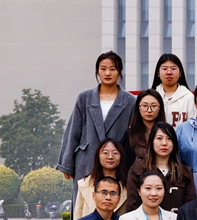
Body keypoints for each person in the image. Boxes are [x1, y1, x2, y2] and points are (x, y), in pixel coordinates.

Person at [57, 52, 137, 201]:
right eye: (103, 69)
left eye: (112, 69)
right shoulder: (84, 97)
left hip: (116, 162)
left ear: (120, 72)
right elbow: (73, 130)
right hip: (87, 160)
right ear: (97, 71)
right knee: (84, 203)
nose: (107, 73)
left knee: (114, 201)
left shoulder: (130, 101)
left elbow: (133, 135)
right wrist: (67, 164)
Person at [125, 123, 196, 214]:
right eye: (159, 138)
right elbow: (132, 206)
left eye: (169, 138)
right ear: (152, 141)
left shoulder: (184, 172)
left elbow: (190, 208)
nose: (164, 143)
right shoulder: (138, 169)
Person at [73, 138, 128, 220]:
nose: (110, 157)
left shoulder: (129, 184)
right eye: (105, 153)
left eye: (115, 153)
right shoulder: (85, 183)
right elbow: (78, 216)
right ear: (98, 156)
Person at [122, 89, 166, 168]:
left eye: (153, 106)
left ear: (160, 108)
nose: (149, 110)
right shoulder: (130, 134)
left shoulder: (167, 133)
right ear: (138, 108)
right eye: (145, 106)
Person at [152, 54, 196, 128]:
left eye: (173, 69)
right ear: (158, 73)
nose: (169, 72)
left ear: (180, 73)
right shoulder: (151, 97)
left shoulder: (189, 98)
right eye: (165, 69)